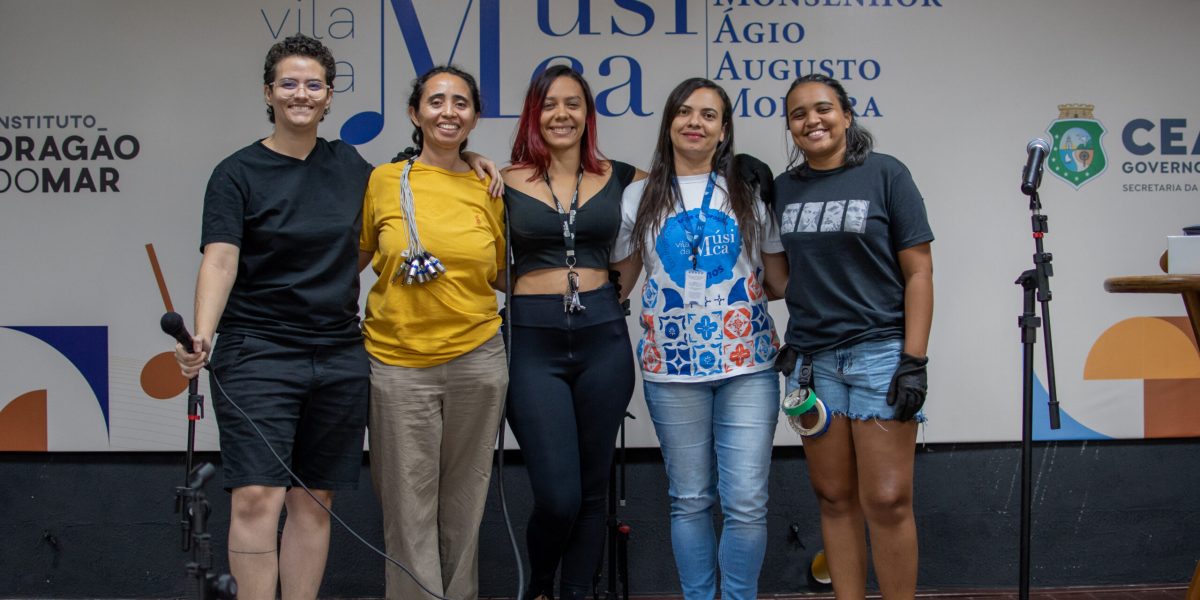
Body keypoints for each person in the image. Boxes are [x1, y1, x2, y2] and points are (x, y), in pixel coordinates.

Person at [174, 34, 372, 600]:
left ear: (329, 96)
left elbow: (407, 198)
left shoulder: (352, 165)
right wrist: (203, 334)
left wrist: (478, 159)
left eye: (313, 84)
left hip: (337, 353)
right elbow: (221, 258)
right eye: (289, 83)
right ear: (269, 92)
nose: (301, 94)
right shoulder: (236, 173)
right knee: (258, 495)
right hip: (257, 352)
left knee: (314, 498)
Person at [611, 77, 787, 600]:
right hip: (672, 368)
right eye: (684, 112)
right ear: (668, 124)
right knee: (688, 500)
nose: (695, 122)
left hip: (748, 365)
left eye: (708, 115)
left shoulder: (749, 192)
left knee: (747, 503)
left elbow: (778, 282)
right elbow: (620, 280)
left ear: (724, 130)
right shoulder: (638, 196)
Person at [773, 73, 934, 600]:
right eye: (798, 114)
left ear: (846, 114)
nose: (811, 120)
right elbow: (781, 276)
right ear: (790, 126)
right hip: (812, 366)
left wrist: (914, 360)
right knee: (834, 497)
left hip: (879, 356)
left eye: (822, 109)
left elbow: (919, 273)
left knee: (887, 500)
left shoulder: (886, 175)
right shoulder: (784, 189)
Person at [358, 64, 507, 600]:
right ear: (414, 112)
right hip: (398, 364)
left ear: (474, 117)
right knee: (406, 505)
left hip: (478, 360)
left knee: (466, 501)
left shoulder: (491, 185)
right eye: (437, 101)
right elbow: (350, 260)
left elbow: (502, 272)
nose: (449, 111)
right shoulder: (381, 181)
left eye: (461, 103)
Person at [501, 64, 645, 600]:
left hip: (602, 338)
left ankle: (579, 591)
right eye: (550, 104)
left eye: (574, 104)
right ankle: (540, 586)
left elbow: (635, 248)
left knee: (592, 491)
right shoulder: (501, 179)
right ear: (535, 114)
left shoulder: (627, 177)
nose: (562, 114)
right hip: (531, 342)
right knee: (558, 495)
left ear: (589, 114)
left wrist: (610, 295)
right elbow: (486, 261)